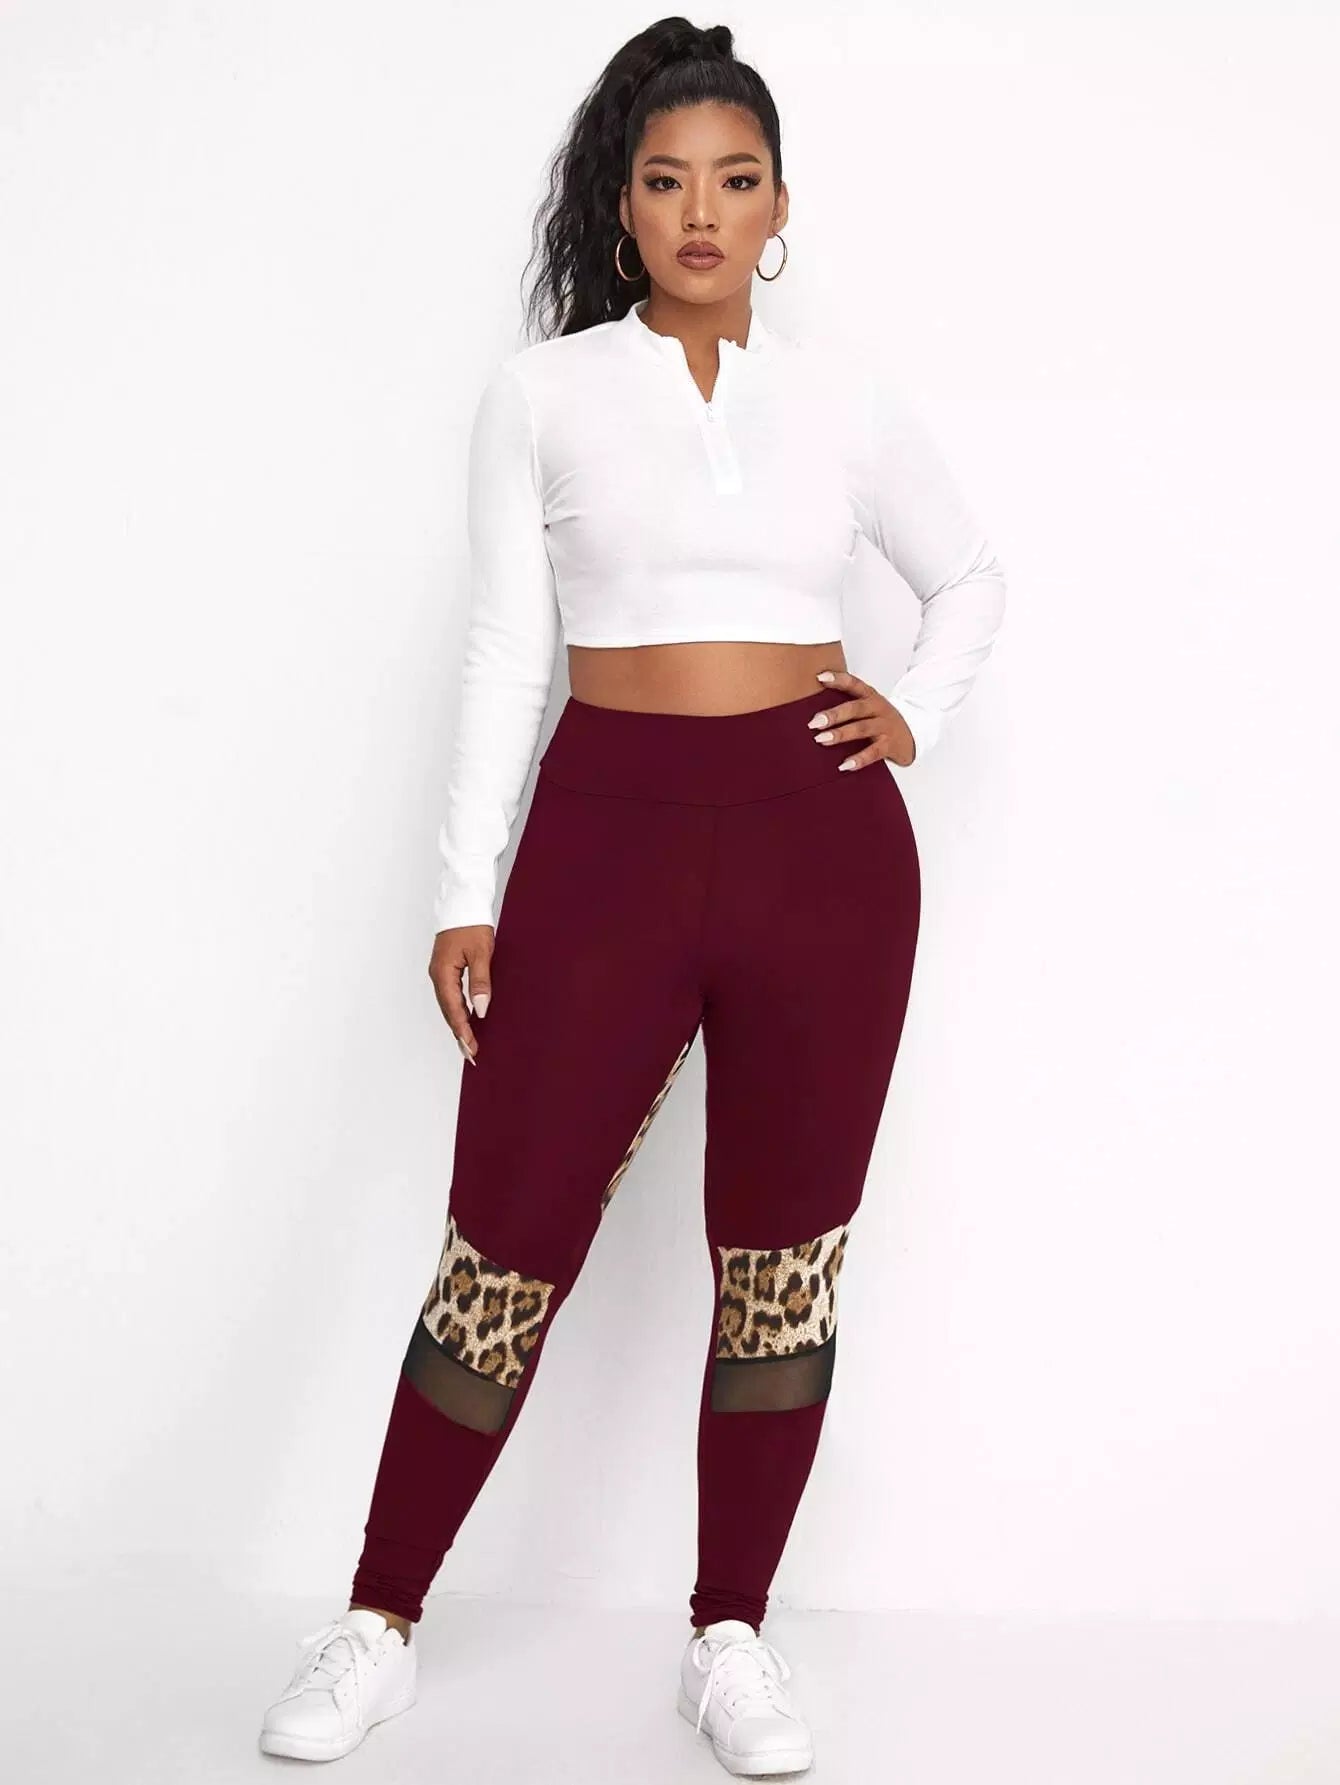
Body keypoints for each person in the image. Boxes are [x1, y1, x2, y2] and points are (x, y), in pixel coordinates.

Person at [259, 16, 1006, 1776]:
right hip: (607, 843)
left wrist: (914, 709)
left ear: (779, 208)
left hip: (824, 852)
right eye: (667, 181)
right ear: (622, 208)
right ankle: (378, 1619)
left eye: (736, 182)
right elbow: (503, 655)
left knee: (783, 1258)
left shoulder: (842, 400)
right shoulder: (545, 396)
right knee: (504, 1238)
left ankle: (728, 1633)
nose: (702, 212)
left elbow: (970, 574)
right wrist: (465, 891)